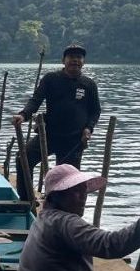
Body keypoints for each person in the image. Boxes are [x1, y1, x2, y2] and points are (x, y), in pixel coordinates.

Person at [12, 43, 100, 195]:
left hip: (74, 140)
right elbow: (36, 100)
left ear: (83, 62)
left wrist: (89, 128)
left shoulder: (89, 84)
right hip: (48, 136)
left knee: (69, 180)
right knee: (23, 159)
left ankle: (62, 212)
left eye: (79, 57)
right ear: (63, 60)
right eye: (71, 57)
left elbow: (95, 111)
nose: (75, 60)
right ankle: (26, 200)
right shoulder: (51, 79)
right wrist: (23, 115)